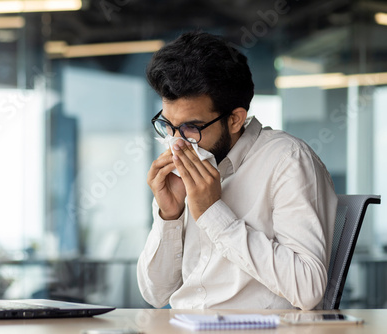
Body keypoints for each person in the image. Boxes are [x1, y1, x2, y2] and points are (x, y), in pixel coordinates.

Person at [136, 31, 337, 310]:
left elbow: (308, 289)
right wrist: (170, 215)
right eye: (167, 126)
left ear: (234, 119)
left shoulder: (288, 160)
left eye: (190, 128)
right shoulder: (187, 172)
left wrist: (214, 213)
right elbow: (156, 294)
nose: (176, 143)